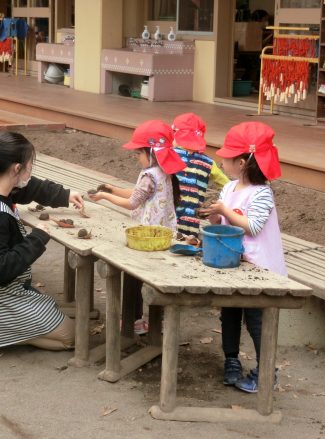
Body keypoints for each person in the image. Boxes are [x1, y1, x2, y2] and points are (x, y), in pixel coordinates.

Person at [0, 132, 84, 352]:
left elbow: (30, 188)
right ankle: (3, 331)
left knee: (51, 311)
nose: (31, 170)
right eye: (29, 165)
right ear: (17, 169)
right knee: (72, 336)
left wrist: (66, 195)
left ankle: (6, 328)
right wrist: (36, 239)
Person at [199, 121, 285, 393]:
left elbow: (253, 226)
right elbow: (224, 221)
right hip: (234, 264)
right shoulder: (229, 188)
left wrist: (226, 209)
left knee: (257, 321)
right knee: (230, 313)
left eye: (226, 157)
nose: (221, 160)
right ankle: (231, 360)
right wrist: (214, 214)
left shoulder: (262, 193)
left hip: (260, 269)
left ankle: (266, 371)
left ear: (242, 162)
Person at [89, 120, 186, 334]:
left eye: (138, 153)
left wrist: (105, 196)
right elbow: (137, 194)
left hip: (145, 236)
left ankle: (132, 321)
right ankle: (149, 323)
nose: (136, 157)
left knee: (133, 278)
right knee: (154, 278)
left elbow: (132, 202)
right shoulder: (163, 172)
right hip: (163, 234)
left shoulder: (149, 174)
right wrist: (113, 189)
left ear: (151, 152)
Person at [171, 112, 229, 239]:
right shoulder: (208, 163)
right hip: (191, 220)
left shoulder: (170, 155)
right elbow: (227, 184)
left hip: (168, 215)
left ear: (176, 135)